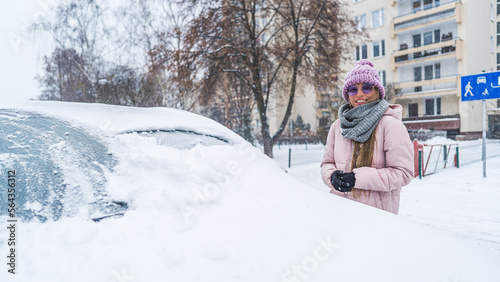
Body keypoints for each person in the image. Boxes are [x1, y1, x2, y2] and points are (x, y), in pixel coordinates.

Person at [320, 59, 414, 214]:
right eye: (352, 89)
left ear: (377, 91)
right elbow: (327, 163)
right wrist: (331, 176)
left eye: (366, 87)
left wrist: (358, 179)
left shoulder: (390, 125)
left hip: (376, 217)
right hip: (339, 211)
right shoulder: (338, 126)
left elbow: (403, 173)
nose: (360, 94)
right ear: (347, 95)